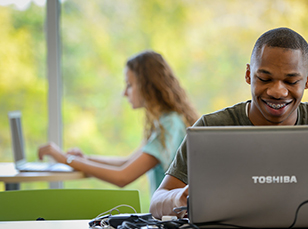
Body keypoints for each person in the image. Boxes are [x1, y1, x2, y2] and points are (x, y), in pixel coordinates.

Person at [149, 27, 308, 219]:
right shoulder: (211, 128)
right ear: (249, 74)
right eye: (264, 78)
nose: (278, 92)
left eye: (291, 81)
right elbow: (157, 200)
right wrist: (181, 198)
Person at [38, 50, 198, 194]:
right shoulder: (167, 121)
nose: (124, 93)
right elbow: (128, 161)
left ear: (147, 86)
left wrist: (64, 159)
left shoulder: (170, 125)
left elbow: (123, 176)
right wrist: (85, 158)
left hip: (174, 220)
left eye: (129, 85)